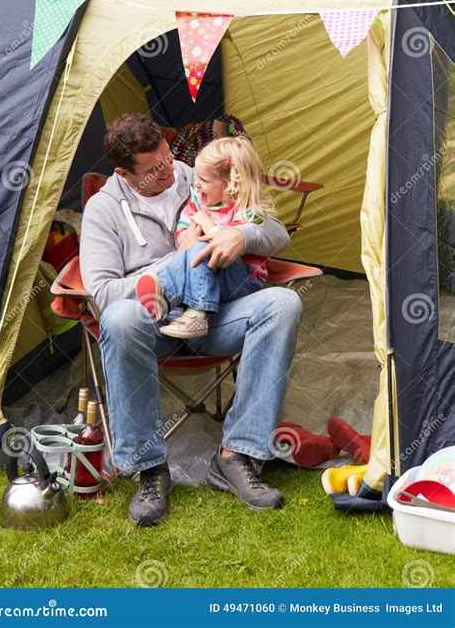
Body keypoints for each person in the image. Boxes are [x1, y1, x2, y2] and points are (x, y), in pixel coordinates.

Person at [80, 113, 303, 526]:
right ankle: (150, 470)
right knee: (122, 316)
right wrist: (178, 265)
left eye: (167, 158)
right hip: (155, 324)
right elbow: (104, 293)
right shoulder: (103, 210)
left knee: (282, 305)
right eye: (153, 169)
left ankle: (236, 456)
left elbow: (274, 229)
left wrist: (243, 236)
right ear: (125, 174)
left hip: (215, 317)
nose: (169, 171)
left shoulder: (194, 173)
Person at [135, 136, 273, 339]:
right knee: (192, 250)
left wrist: (206, 224)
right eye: (197, 178)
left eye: (204, 180)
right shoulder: (200, 202)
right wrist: (187, 239)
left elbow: (225, 243)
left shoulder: (247, 212)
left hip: (241, 283)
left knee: (203, 249)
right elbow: (183, 230)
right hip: (209, 281)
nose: (196, 185)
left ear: (230, 185)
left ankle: (194, 312)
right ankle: (164, 298)